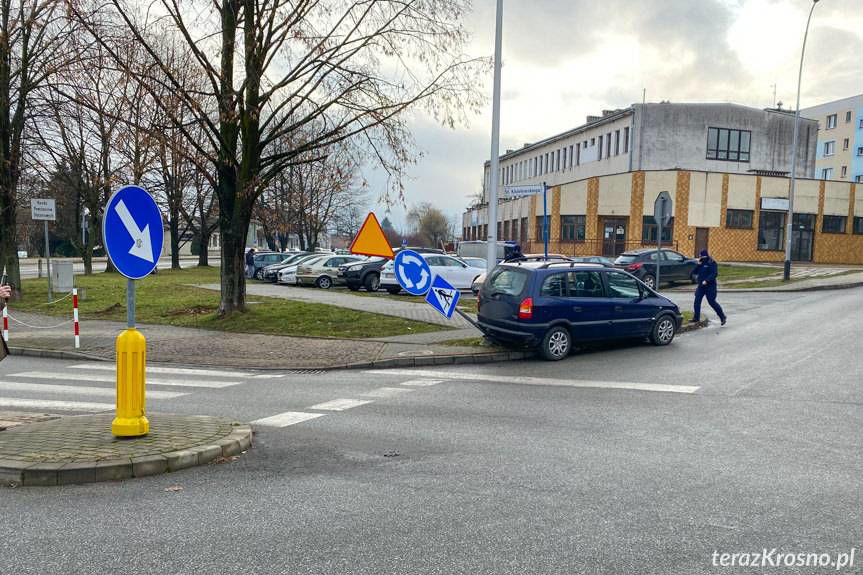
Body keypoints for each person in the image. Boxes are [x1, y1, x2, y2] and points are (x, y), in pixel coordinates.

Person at [691, 249, 727, 326]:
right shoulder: (701, 263)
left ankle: (722, 316)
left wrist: (707, 280)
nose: (700, 257)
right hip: (701, 286)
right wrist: (698, 264)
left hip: (710, 286)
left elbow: (714, 273)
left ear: (705, 256)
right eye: (699, 256)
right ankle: (696, 318)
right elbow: (694, 272)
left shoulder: (712, 263)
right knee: (697, 301)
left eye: (701, 256)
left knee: (712, 302)